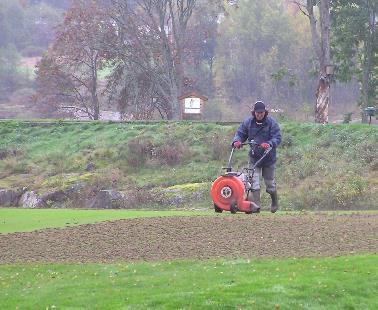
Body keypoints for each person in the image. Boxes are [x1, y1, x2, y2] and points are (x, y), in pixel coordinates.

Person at [232, 101, 282, 213]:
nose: (259, 114)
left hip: (268, 158)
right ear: (254, 113)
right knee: (253, 182)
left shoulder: (271, 123)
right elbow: (240, 133)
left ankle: (274, 201)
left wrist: (269, 143)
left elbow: (277, 137)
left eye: (261, 112)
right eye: (257, 112)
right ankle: (256, 207)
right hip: (254, 158)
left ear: (265, 112)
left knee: (270, 184)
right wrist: (237, 141)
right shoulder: (248, 123)